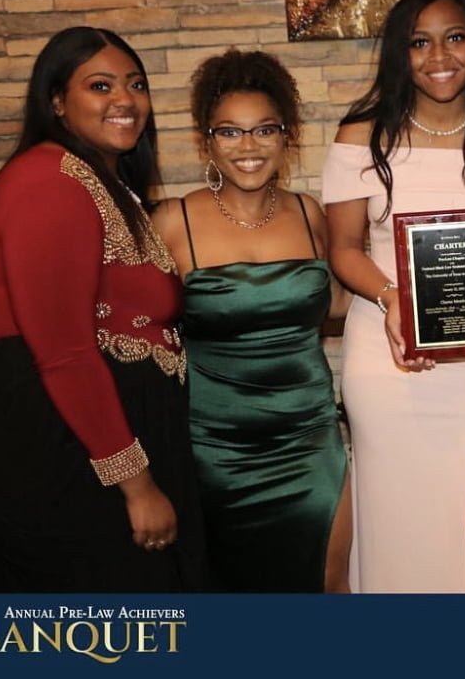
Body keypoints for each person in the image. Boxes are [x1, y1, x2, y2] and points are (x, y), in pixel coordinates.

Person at [0, 26, 204, 591]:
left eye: (136, 84)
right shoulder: (49, 177)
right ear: (58, 102)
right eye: (100, 85)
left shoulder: (106, 183)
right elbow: (64, 351)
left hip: (89, 434)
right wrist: (136, 485)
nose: (125, 99)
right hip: (50, 439)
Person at [323, 0, 465, 592]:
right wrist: (395, 301)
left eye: (454, 38)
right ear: (401, 53)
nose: (438, 56)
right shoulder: (360, 137)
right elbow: (342, 249)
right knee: (396, 522)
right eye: (419, 43)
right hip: (386, 351)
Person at [151, 49, 352, 592]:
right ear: (207, 140)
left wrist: (418, 291)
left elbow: (334, 304)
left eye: (265, 129)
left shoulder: (310, 212)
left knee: (328, 582)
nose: (249, 147)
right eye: (230, 133)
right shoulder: (172, 221)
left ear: (286, 136)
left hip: (309, 437)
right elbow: (137, 334)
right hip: (215, 449)